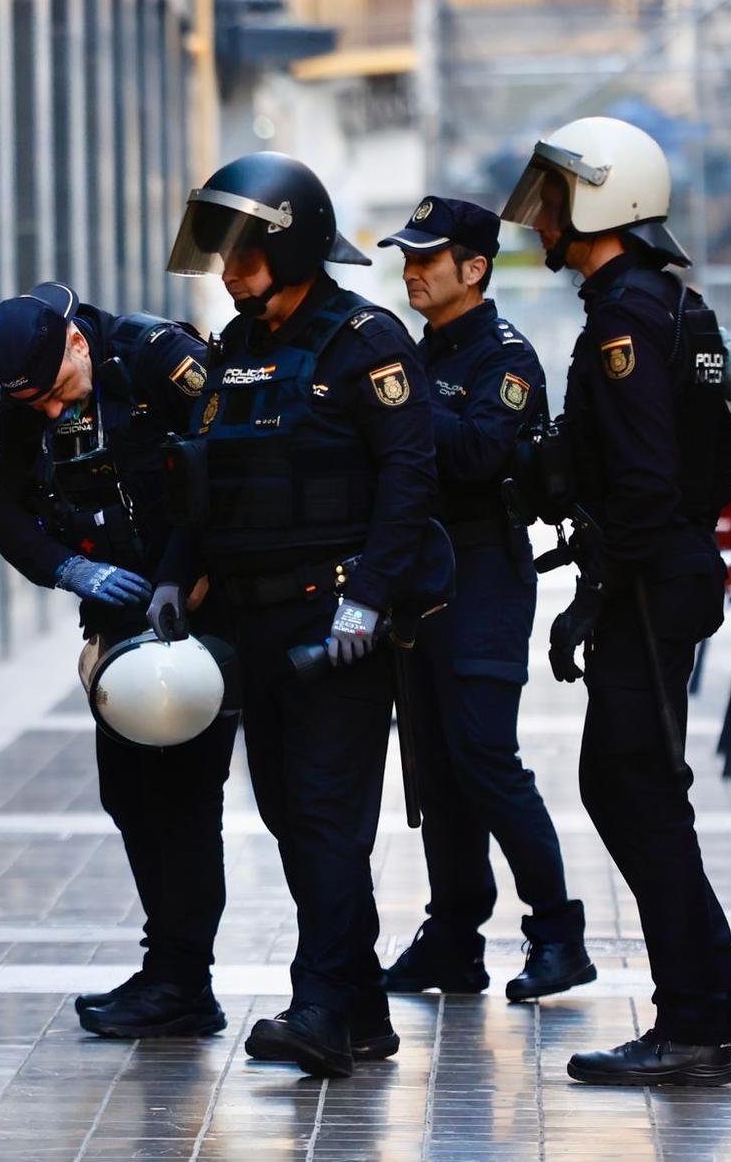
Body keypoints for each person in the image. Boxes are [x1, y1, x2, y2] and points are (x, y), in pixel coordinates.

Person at [152, 152, 452, 1078]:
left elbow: (410, 480)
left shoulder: (365, 339)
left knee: (325, 815)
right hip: (251, 626)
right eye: (223, 255)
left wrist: (369, 598)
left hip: (336, 625)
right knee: (289, 813)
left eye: (244, 253)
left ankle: (318, 1005)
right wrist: (173, 578)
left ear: (293, 246)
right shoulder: (236, 347)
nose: (229, 272)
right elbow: (205, 480)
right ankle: (360, 1008)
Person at [501, 117, 731, 1086]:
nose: (541, 217)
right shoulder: (673, 304)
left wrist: (598, 590)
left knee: (637, 792)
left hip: (651, 581)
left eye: (554, 198)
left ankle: (692, 1022)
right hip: (665, 573)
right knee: (629, 787)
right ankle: (725, 986)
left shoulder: (623, 318)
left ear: (602, 200)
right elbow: (706, 455)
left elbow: (648, 480)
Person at [0, 281, 239, 1041]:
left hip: (198, 607)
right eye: (35, 404)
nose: (51, 412)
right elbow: (3, 508)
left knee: (185, 800)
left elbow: (227, 466)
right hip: (118, 616)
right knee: (128, 795)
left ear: (78, 343)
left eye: (58, 392)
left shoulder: (159, 359)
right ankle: (171, 971)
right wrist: (69, 569)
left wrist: (182, 576)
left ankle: (183, 979)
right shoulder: (30, 395)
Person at [379, 196, 593, 1002]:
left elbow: (474, 454)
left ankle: (559, 935)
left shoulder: (504, 357)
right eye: (407, 258)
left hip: (483, 575)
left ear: (473, 269)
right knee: (435, 767)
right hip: (421, 576)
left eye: (427, 259)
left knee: (484, 757)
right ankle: (453, 939)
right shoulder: (418, 352)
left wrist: (401, 398)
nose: (412, 272)